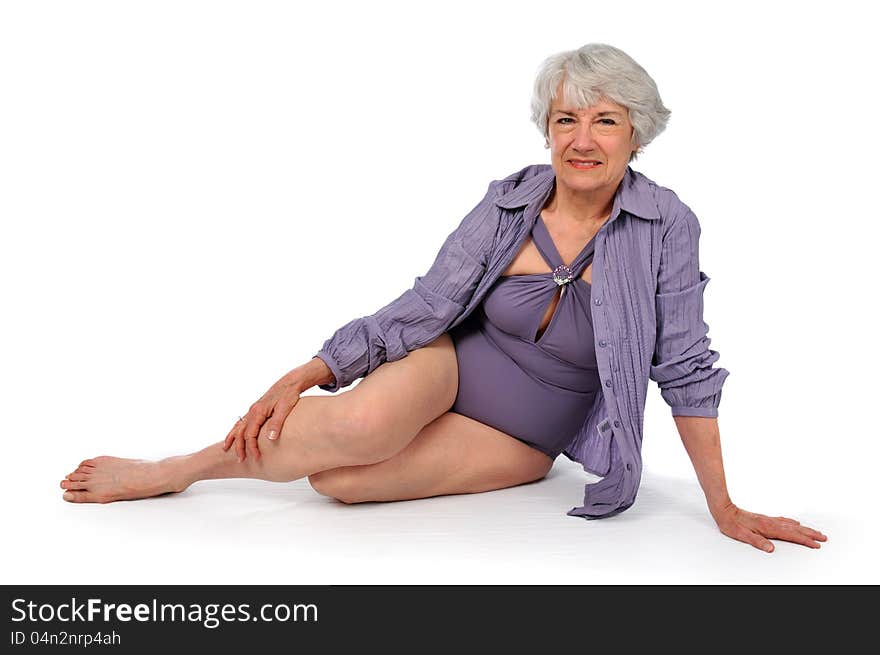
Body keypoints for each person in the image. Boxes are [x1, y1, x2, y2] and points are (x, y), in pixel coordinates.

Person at [60, 43, 826, 553]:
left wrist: (724, 506)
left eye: (605, 120)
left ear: (637, 135)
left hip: (529, 428)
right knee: (354, 423)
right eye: (566, 119)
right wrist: (309, 371)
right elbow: (427, 302)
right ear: (547, 130)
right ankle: (177, 469)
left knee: (338, 481)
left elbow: (686, 367)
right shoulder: (509, 203)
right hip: (454, 364)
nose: (582, 139)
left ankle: (248, 459)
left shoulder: (666, 224)